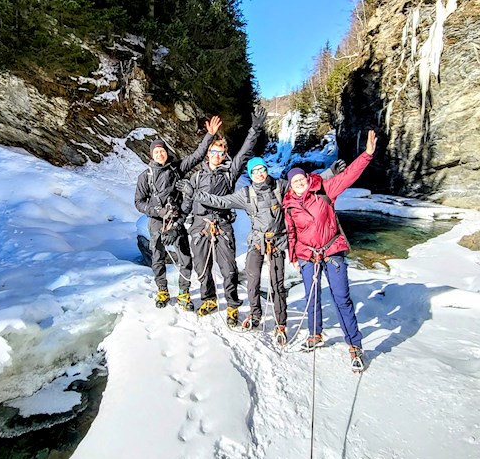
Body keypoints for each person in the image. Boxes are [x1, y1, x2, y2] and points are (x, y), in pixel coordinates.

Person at [181, 156, 346, 345]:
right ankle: (255, 314)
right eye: (255, 171)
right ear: (250, 174)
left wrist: (330, 173)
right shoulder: (246, 194)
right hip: (257, 243)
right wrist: (194, 193)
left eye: (262, 169)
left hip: (276, 242)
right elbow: (220, 201)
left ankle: (280, 322)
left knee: (277, 285)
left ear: (266, 170)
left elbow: (304, 182)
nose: (259, 174)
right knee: (253, 281)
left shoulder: (280, 187)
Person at [283, 129, 377, 372]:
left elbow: (349, 176)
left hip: (332, 251)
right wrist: (293, 254)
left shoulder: (325, 190)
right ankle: (315, 334)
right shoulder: (289, 204)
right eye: (294, 181)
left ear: (306, 178)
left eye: (301, 179)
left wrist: (366, 155)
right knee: (311, 297)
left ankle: (355, 345)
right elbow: (291, 231)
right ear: (290, 186)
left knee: (341, 298)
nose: (299, 183)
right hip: (307, 256)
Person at [181, 108, 266, 326]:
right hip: (199, 226)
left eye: (221, 153)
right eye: (213, 152)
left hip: (222, 225)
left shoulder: (230, 173)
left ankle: (231, 305)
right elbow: (187, 204)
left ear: (224, 154)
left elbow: (245, 153)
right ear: (208, 153)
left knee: (228, 269)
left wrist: (254, 129)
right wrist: (178, 221)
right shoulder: (196, 176)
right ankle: (208, 299)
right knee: (202, 267)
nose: (217, 156)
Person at [134, 116, 222, 310]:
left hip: (176, 220)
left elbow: (198, 156)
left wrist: (210, 135)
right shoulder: (145, 177)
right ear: (151, 155)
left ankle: (184, 293)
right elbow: (138, 202)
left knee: (185, 257)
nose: (160, 154)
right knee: (158, 256)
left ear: (167, 152)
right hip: (157, 222)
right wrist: (156, 210)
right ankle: (162, 290)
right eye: (156, 152)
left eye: (162, 151)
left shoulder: (177, 169)